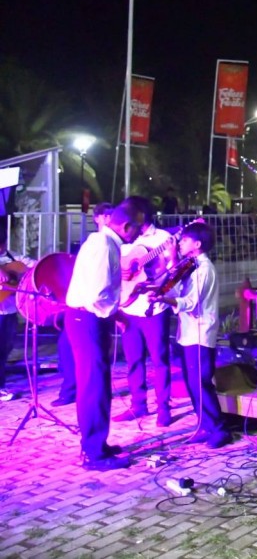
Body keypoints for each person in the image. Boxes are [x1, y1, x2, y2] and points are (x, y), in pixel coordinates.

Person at [65, 202, 143, 470]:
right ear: (125, 226)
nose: (137, 234)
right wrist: (116, 310)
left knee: (98, 382)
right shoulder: (104, 246)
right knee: (93, 385)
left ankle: (98, 443)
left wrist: (116, 313)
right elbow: (97, 295)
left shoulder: (103, 242)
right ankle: (93, 453)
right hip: (87, 320)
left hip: (88, 318)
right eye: (137, 228)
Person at [148, 221, 232, 448]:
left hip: (200, 333)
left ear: (197, 244)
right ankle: (204, 425)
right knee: (192, 383)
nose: (180, 243)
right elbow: (176, 290)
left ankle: (220, 430)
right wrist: (162, 284)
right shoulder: (190, 267)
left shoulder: (204, 269)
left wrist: (164, 298)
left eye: (184, 240)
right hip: (188, 334)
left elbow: (190, 302)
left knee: (202, 383)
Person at [113, 197, 175, 426]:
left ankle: (163, 408)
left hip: (154, 308)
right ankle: (138, 405)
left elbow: (173, 270)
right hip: (128, 308)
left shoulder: (163, 239)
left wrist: (160, 278)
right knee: (133, 360)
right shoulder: (124, 239)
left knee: (160, 360)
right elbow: (117, 267)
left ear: (140, 215)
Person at [52, 202, 114, 408]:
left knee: (94, 365)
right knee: (69, 350)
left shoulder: (109, 244)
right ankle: (71, 390)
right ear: (97, 218)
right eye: (105, 215)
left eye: (111, 215)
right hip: (84, 309)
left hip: (93, 310)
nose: (108, 219)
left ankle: (88, 398)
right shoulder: (95, 243)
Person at [0, 232, 35, 402]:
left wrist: (22, 276)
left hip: (10, 311)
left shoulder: (15, 258)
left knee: (5, 349)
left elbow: (34, 267)